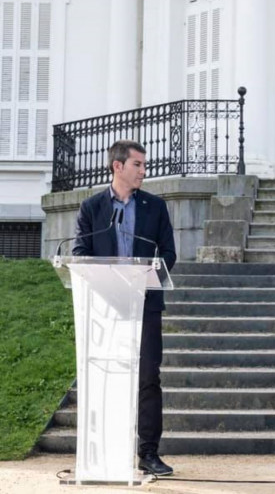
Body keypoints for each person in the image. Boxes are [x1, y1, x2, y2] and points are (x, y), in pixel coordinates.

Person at [73, 140, 176, 477]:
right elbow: (80, 252)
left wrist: (146, 274)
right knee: (105, 376)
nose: (143, 172)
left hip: (145, 304)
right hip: (105, 305)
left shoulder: (156, 207)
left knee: (148, 378)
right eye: (138, 165)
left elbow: (168, 253)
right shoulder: (91, 208)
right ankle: (104, 451)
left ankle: (148, 453)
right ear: (117, 166)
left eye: (144, 166)